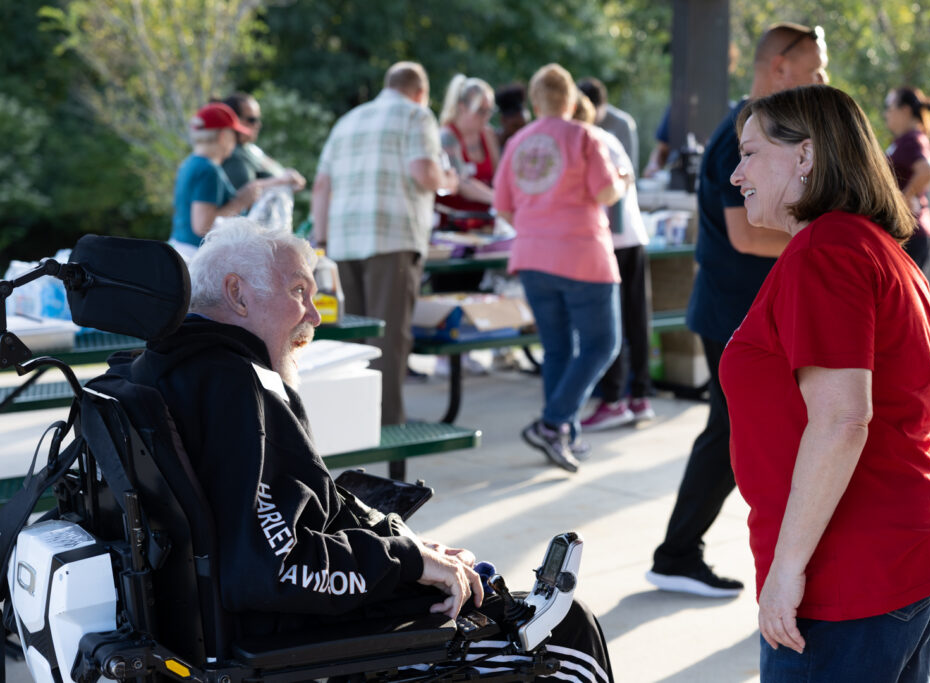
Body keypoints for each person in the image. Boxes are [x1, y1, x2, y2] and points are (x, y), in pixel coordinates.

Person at [136, 218, 613, 680]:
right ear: (238, 294)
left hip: (233, 615)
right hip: (295, 638)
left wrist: (401, 541)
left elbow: (275, 522)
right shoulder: (238, 390)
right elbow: (275, 567)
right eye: (298, 292)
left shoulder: (154, 368)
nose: (315, 315)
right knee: (567, 633)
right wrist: (407, 561)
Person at [722, 84, 930, 681]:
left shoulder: (826, 251)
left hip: (853, 571)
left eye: (751, 153)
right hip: (903, 549)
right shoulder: (868, 244)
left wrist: (787, 569)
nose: (735, 174)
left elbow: (841, 420)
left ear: (805, 156)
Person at [647, 22, 829, 597]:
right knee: (733, 437)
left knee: (733, 436)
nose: (823, 79)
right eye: (815, 68)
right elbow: (747, 237)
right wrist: (824, 238)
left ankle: (679, 552)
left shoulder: (762, 126)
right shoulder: (742, 135)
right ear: (780, 66)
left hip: (742, 310)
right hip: (734, 312)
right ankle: (677, 553)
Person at [493, 63, 624, 473]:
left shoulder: (517, 141)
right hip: (582, 253)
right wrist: (623, 179)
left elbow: (501, 204)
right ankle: (553, 424)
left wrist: (533, 229)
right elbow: (605, 190)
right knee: (602, 344)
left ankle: (563, 433)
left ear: (534, 102)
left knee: (557, 349)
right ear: (570, 100)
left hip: (532, 255)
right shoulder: (583, 136)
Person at [310, 61, 458, 426]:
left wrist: (322, 241)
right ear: (420, 92)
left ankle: (344, 423)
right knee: (388, 338)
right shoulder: (417, 116)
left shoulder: (347, 121)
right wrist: (449, 180)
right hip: (392, 237)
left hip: (343, 240)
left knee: (346, 339)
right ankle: (385, 424)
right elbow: (424, 172)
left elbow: (321, 186)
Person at [572, 91, 655, 431]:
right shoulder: (605, 138)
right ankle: (639, 396)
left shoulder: (588, 141)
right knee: (636, 320)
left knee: (614, 322)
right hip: (630, 237)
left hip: (612, 240)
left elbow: (615, 188)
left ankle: (614, 400)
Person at [169, 103, 261, 260]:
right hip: (195, 257)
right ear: (224, 136)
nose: (235, 143)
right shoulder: (208, 170)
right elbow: (202, 226)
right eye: (234, 136)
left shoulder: (189, 163)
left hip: (178, 249)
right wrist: (241, 201)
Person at [884, 86, 930, 309]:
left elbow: (928, 169)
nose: (886, 114)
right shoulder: (904, 140)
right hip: (909, 231)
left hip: (912, 232)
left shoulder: (911, 139)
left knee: (905, 302)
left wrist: (904, 197)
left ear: (905, 110)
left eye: (889, 108)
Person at [435, 74, 500, 232]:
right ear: (461, 106)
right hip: (453, 229)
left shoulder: (488, 134)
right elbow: (461, 182)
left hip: (485, 227)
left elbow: (498, 176)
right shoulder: (446, 136)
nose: (485, 117)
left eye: (489, 111)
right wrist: (498, 199)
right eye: (480, 111)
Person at [220, 91, 307, 195]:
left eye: (258, 119)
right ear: (234, 120)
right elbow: (241, 196)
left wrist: (288, 176)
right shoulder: (233, 155)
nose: (258, 124)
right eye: (252, 120)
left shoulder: (250, 148)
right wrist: (283, 181)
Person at [577, 77, 639, 170]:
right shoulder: (575, 122)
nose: (589, 118)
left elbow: (629, 166)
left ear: (603, 104)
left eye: (593, 112)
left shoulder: (623, 124)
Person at [494, 82, 531, 150]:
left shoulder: (526, 146)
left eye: (524, 127)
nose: (521, 131)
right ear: (503, 120)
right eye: (516, 126)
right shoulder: (489, 143)